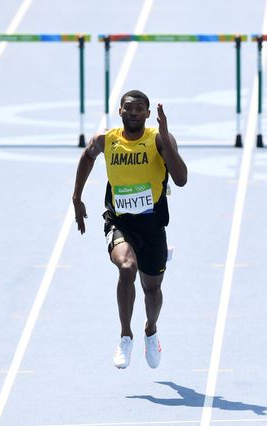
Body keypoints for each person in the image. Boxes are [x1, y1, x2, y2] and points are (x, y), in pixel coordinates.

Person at [72, 90, 188, 369]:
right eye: (128, 108)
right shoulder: (106, 140)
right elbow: (87, 157)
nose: (133, 112)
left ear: (147, 114)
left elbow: (181, 179)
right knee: (126, 268)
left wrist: (166, 137)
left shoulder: (158, 139)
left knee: (152, 289)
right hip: (119, 222)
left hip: (152, 225)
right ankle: (126, 336)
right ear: (120, 111)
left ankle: (151, 329)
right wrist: (77, 197)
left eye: (139, 109)